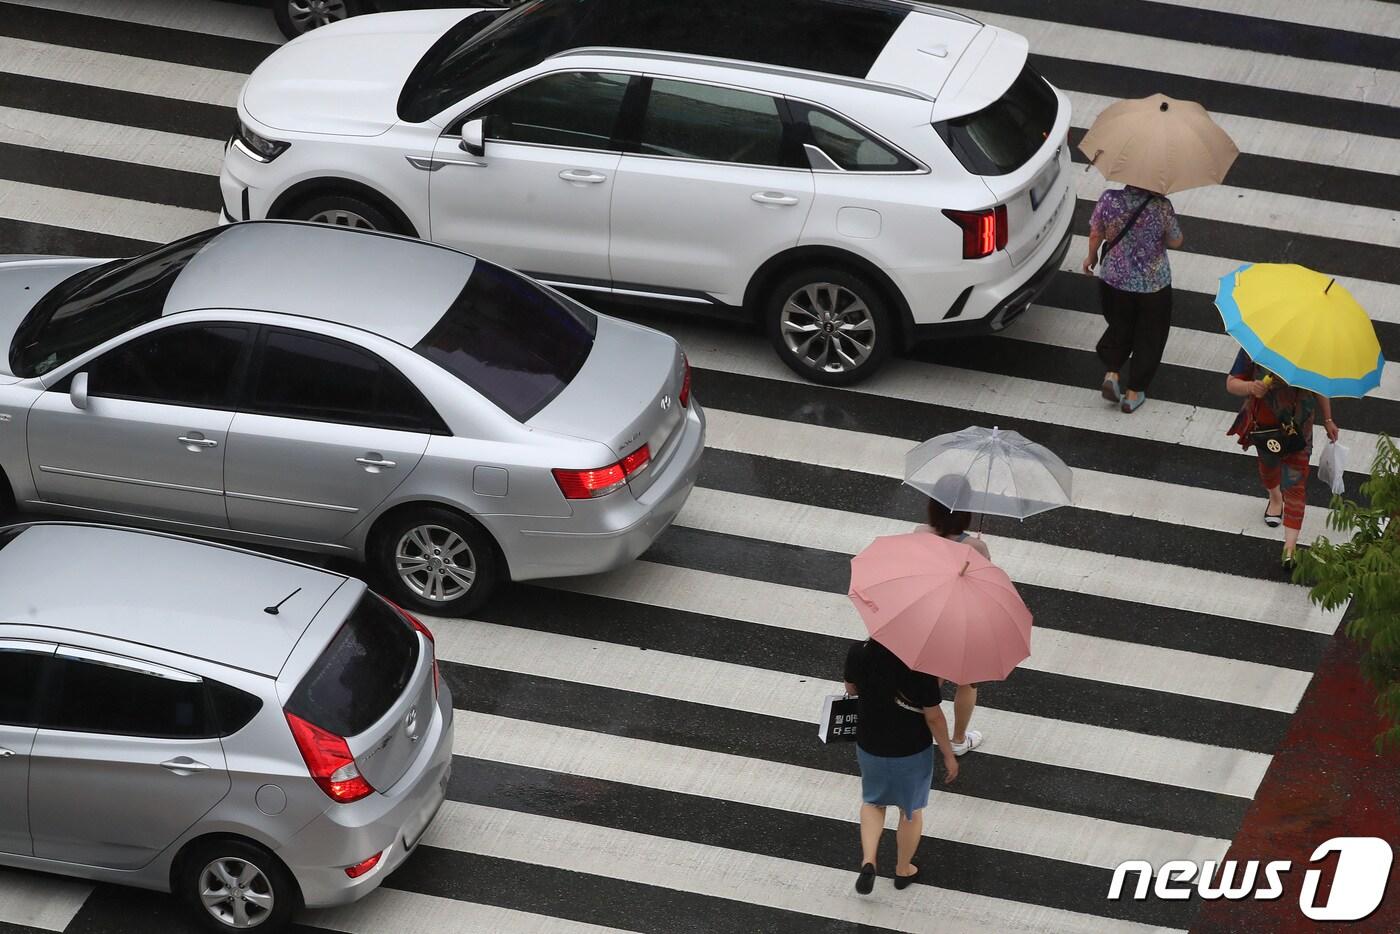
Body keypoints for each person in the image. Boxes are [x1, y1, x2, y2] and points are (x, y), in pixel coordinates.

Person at [843, 637, 958, 894]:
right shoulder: (923, 667)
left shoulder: (859, 652)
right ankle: (903, 869)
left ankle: (869, 860)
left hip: (870, 741)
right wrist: (948, 755)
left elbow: (851, 689)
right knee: (910, 810)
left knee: (873, 802)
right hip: (910, 749)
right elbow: (934, 717)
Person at [1225, 349, 1339, 567]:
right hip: (1265, 425)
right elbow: (1231, 383)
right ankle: (1275, 498)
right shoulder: (1258, 347)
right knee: (1268, 469)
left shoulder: (1313, 352)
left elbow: (1320, 386)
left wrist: (1328, 419)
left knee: (1296, 483)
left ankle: (1290, 546)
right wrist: (1251, 387)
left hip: (1299, 429)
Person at [1082, 184, 1184, 413]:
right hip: (1153, 284)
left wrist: (1091, 257)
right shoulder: (1161, 206)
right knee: (1151, 335)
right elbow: (1176, 241)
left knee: (1121, 324)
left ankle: (1113, 371)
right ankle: (1133, 393)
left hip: (1113, 279)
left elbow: (1096, 233)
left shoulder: (1109, 198)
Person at [915, 494, 986, 756]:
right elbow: (985, 582)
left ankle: (921, 725)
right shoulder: (975, 547)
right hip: (962, 618)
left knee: (930, 674)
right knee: (967, 680)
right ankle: (957, 740)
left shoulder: (920, 533)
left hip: (929, 615)